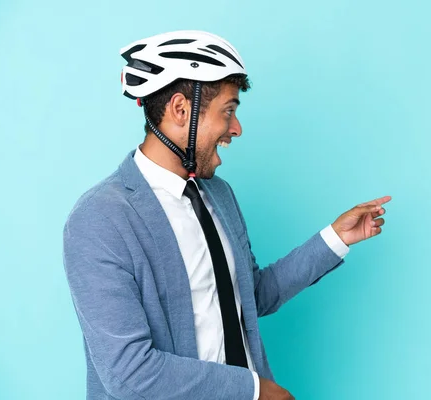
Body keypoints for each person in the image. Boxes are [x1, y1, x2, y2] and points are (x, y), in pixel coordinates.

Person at [63, 30, 391, 400]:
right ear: (180, 110)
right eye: (228, 111)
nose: (236, 128)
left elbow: (252, 294)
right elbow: (129, 372)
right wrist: (254, 391)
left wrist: (335, 238)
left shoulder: (218, 194)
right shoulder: (100, 219)